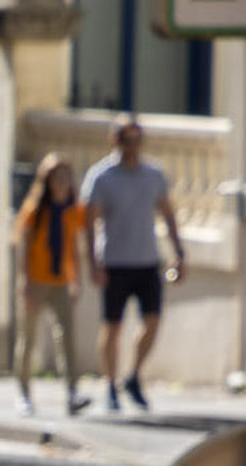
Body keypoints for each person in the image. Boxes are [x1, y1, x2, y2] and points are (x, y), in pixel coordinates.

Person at [81, 115, 185, 414]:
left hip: (147, 260)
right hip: (115, 261)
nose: (133, 146)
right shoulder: (102, 177)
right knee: (112, 326)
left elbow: (168, 214)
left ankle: (133, 375)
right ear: (116, 141)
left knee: (152, 320)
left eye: (138, 139)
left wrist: (178, 251)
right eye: (128, 139)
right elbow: (89, 224)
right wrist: (93, 263)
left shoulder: (153, 175)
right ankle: (111, 384)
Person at [11, 156, 89, 418]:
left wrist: (76, 278)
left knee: (67, 338)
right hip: (36, 280)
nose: (63, 182)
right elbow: (22, 245)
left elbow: (73, 247)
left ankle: (72, 392)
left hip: (60, 281)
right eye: (57, 177)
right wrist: (24, 282)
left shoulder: (72, 210)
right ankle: (23, 393)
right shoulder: (35, 209)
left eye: (66, 177)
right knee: (28, 339)